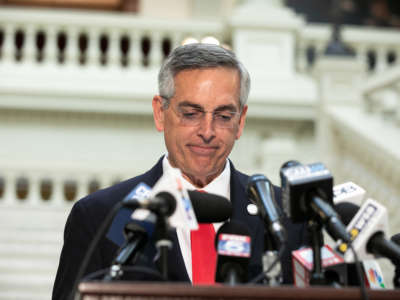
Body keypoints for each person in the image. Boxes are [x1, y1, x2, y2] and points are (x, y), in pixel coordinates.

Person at [52, 43, 309, 300]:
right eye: (190, 113)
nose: (207, 132)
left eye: (223, 116)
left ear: (240, 121)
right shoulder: (101, 217)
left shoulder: (286, 221)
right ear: (160, 113)